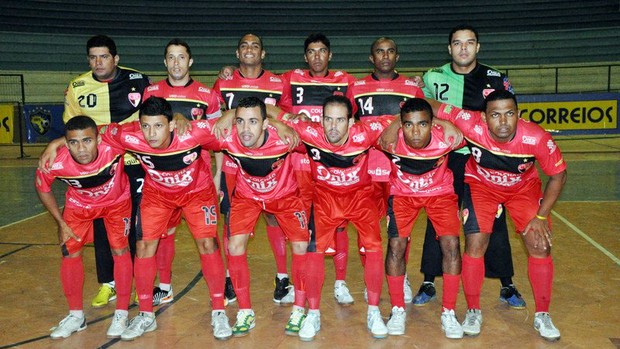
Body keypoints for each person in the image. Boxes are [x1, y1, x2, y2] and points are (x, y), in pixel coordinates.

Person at [429, 90, 567, 341]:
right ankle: (473, 310)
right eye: (495, 115)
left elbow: (558, 175)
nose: (503, 122)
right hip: (481, 186)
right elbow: (430, 104)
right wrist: (429, 121)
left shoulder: (536, 138)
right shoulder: (470, 122)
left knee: (539, 245)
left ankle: (543, 315)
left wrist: (540, 217)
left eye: (509, 114)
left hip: (522, 188)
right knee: (475, 243)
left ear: (519, 115)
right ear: (483, 117)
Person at [100, 96, 231, 341]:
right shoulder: (129, 135)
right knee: (143, 246)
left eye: (158, 126)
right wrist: (56, 144)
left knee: (208, 244)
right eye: (146, 126)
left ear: (171, 125)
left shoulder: (193, 133)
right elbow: (94, 132)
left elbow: (230, 125)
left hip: (197, 193)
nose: (151, 133)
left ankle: (219, 311)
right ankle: (146, 314)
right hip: (157, 195)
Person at [414, 24, 525, 308]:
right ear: (449, 48)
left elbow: (509, 115)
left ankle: (506, 283)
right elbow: (419, 105)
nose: (463, 48)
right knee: (439, 217)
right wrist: (442, 120)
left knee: (493, 218)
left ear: (478, 47)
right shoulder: (433, 76)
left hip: (484, 159)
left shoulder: (495, 78)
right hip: (447, 159)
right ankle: (429, 279)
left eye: (469, 42)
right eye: (457, 43)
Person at [62, 34, 151, 308]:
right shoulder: (77, 87)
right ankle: (108, 284)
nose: (98, 62)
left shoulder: (139, 80)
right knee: (101, 224)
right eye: (93, 57)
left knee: (137, 225)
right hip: (98, 170)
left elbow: (152, 118)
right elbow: (71, 128)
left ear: (116, 58)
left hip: (134, 165)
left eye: (103, 56)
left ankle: (138, 282)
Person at [213, 33, 294, 305]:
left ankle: (282, 276)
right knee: (230, 221)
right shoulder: (224, 80)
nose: (250, 50)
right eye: (244, 46)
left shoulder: (277, 81)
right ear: (237, 53)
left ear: (263, 53)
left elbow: (285, 114)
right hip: (233, 163)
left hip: (269, 163)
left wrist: (280, 122)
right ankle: (230, 277)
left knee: (273, 217)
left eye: (255, 45)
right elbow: (215, 117)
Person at [218, 97, 309, 337]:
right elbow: (190, 129)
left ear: (265, 124)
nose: (245, 129)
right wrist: (226, 115)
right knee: (234, 245)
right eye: (240, 122)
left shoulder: (286, 139)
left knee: (301, 245)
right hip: (247, 197)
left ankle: (299, 308)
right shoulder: (227, 137)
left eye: (253, 122)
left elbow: (321, 140)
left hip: (286, 196)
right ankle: (245, 311)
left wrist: (286, 122)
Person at [35, 116, 133, 339]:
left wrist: (175, 118)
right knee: (69, 253)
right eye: (73, 142)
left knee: (120, 250)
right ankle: (76, 316)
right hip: (79, 206)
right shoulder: (55, 161)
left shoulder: (113, 144)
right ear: (66, 143)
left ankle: (121, 312)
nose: (81, 149)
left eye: (87, 141)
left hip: (117, 203)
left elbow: (142, 127)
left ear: (98, 139)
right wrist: (60, 222)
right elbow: (42, 187)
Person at [142, 38, 222, 307]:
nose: (176, 63)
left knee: (207, 241)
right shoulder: (151, 92)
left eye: (181, 57)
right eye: (171, 58)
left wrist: (218, 176)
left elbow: (218, 138)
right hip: (162, 180)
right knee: (165, 234)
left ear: (190, 62)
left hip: (196, 181)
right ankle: (164, 286)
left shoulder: (207, 95)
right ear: (165, 62)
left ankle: (219, 301)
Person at [279, 33, 358, 305]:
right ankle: (299, 284)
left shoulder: (346, 81)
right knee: (301, 228)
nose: (316, 56)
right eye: (311, 51)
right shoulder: (290, 78)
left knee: (339, 223)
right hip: (300, 163)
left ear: (330, 55)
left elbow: (355, 117)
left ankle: (340, 282)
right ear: (305, 56)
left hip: (332, 162)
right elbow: (266, 95)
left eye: (322, 51)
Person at [378, 98, 464, 339]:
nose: (415, 132)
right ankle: (397, 309)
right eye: (408, 125)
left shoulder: (447, 137)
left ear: (432, 123)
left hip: (440, 193)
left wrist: (447, 121)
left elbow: (478, 126)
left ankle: (449, 311)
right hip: (403, 194)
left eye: (423, 124)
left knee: (452, 246)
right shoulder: (388, 136)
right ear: (400, 124)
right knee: (396, 246)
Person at [351, 37, 425, 303]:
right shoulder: (356, 87)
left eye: (390, 51)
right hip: (366, 170)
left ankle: (401, 276)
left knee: (400, 229)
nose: (385, 56)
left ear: (397, 56)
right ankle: (371, 275)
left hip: (399, 171)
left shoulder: (411, 87)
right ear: (371, 58)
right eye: (379, 52)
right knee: (366, 228)